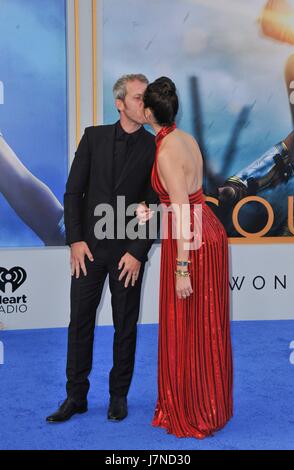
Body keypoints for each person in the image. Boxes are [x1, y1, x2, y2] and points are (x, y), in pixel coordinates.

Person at [46, 74, 158, 423]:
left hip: (127, 252)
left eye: (147, 98)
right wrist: (75, 241)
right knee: (79, 322)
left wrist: (138, 251)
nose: (145, 104)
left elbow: (154, 204)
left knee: (125, 325)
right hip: (89, 250)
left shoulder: (156, 146)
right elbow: (72, 192)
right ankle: (75, 396)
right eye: (139, 98)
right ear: (120, 103)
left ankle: (118, 397)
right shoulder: (93, 137)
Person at [142, 77, 233, 439]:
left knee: (190, 323)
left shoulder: (165, 152)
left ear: (148, 112)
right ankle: (211, 403)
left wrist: (182, 269)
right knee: (206, 322)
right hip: (207, 230)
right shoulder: (186, 139)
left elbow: (181, 213)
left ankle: (195, 410)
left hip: (190, 242)